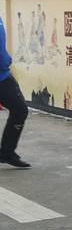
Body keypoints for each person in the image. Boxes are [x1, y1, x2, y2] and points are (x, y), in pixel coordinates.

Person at [0, 14, 30, 168]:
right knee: (20, 110)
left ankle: (7, 152)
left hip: (3, 74)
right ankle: (6, 153)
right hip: (1, 76)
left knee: (19, 110)